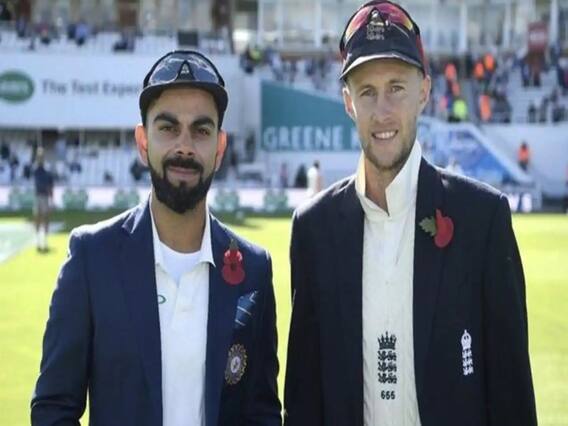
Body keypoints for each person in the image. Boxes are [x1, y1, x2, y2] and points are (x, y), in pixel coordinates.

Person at [284, 2, 537, 425]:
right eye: (367, 91)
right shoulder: (314, 229)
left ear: (424, 92)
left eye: (396, 88)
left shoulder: (481, 219)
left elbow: (513, 398)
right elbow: (304, 401)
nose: (382, 111)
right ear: (348, 102)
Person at [31, 50, 281, 426]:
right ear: (143, 141)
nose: (184, 146)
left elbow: (261, 412)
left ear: (220, 149)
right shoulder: (91, 258)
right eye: (168, 128)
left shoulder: (253, 269)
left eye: (201, 130)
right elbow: (53, 408)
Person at [32, 147, 54, 252]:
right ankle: (38, 240)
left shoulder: (47, 171)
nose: (40, 158)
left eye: (41, 157)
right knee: (37, 218)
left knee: (45, 218)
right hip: (38, 196)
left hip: (45, 197)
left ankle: (45, 240)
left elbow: (50, 186)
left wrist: (51, 200)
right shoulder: (35, 170)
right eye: (38, 157)